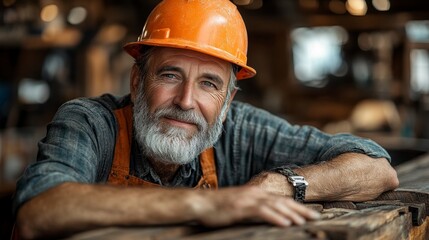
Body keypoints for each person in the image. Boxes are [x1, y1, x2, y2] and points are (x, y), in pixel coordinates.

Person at [13, 0, 399, 239]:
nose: (186, 101)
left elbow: (377, 168)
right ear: (136, 80)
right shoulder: (91, 123)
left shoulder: (239, 131)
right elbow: (40, 210)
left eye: (209, 83)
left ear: (228, 99)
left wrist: (282, 185)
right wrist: (205, 206)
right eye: (169, 75)